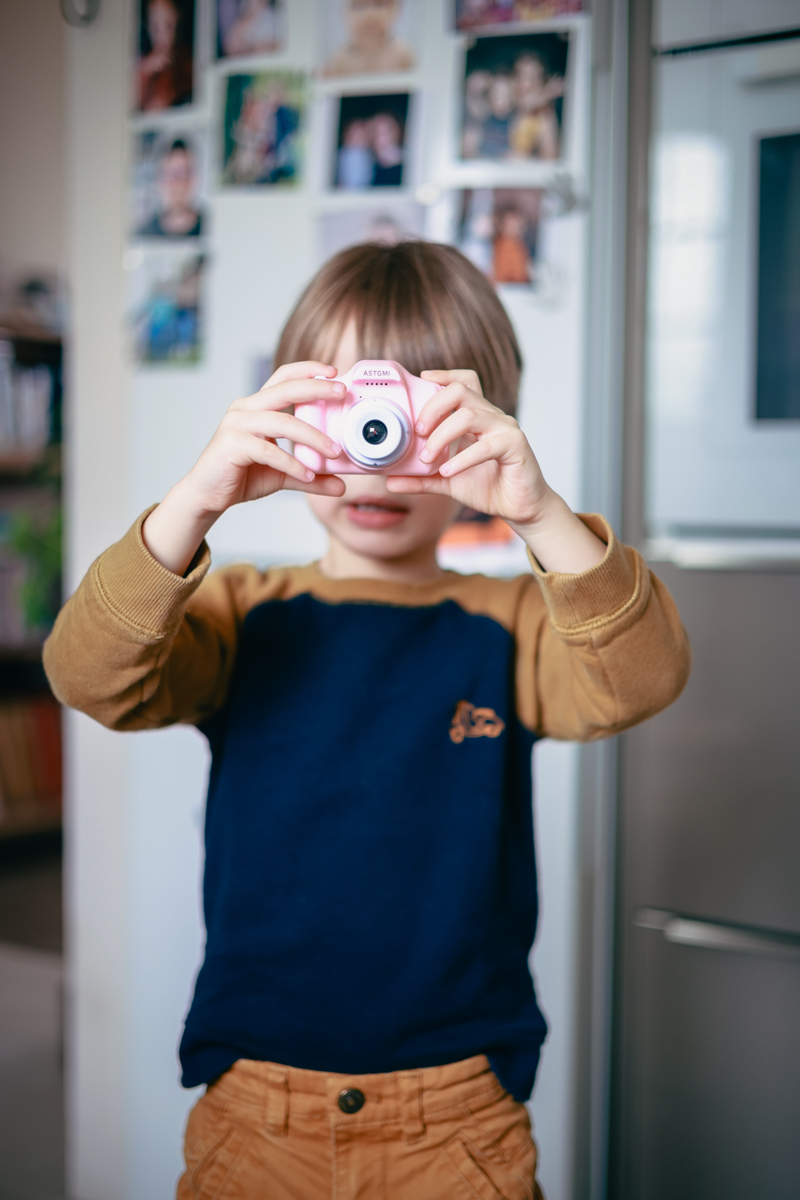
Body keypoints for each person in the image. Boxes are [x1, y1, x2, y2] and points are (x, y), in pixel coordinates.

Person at [43, 242, 690, 1199]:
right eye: (345, 412)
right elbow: (87, 675)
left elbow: (641, 678)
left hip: (460, 1112)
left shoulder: (512, 623)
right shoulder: (240, 609)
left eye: (412, 416)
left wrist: (538, 511)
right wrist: (196, 500)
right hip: (254, 1106)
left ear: (483, 423)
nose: (378, 450)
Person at [322, 0, 414, 77]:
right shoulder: (339, 60)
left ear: (396, 9)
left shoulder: (403, 56)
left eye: (380, 4)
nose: (369, 14)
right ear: (344, 12)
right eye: (359, 6)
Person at [138, 139, 203, 238]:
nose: (176, 183)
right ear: (159, 180)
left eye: (182, 173)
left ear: (193, 179)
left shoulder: (210, 225)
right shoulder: (145, 233)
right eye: (170, 174)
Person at [137, 0, 193, 112]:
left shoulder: (185, 62)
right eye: (156, 29)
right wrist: (146, 69)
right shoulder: (144, 65)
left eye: (168, 26)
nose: (162, 37)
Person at [509, 53, 563, 161]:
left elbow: (549, 158)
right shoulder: (504, 101)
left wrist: (523, 158)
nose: (529, 84)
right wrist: (547, 93)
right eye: (523, 76)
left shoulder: (545, 115)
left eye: (535, 77)